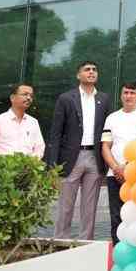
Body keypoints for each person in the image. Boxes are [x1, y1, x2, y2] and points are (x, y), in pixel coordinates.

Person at [48, 62, 111, 241]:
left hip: (95, 157)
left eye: (94, 70)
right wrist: (53, 165)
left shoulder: (104, 99)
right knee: (66, 205)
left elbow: (107, 131)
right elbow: (55, 133)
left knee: (90, 207)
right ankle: (60, 241)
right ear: (78, 75)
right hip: (71, 158)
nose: (91, 72)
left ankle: (85, 244)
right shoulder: (66, 98)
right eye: (87, 70)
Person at [100, 82, 136, 247]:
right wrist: (116, 168)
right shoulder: (112, 118)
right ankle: (117, 259)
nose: (128, 96)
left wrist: (129, 167)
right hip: (115, 176)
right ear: (121, 95)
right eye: (125, 93)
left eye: (132, 93)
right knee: (117, 217)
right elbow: (105, 146)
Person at [0, 84, 44, 157]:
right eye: (25, 94)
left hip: (28, 167)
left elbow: (39, 148)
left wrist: (31, 163)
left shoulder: (33, 122)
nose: (29, 98)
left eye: (31, 96)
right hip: (3, 167)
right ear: (12, 98)